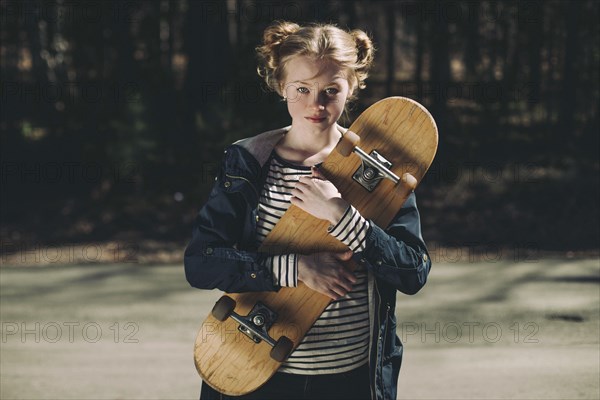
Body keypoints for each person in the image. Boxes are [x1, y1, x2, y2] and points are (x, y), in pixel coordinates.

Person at [184, 21, 432, 400]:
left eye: (330, 90)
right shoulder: (248, 162)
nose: (316, 104)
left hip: (350, 378)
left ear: (351, 88)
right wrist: (297, 268)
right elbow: (201, 263)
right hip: (258, 373)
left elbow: (413, 272)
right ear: (281, 86)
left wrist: (341, 214)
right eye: (302, 89)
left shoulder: (383, 171)